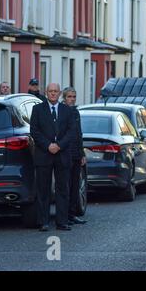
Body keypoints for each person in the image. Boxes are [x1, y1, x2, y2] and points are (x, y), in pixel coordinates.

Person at [30, 83, 75, 232]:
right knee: (43, 189)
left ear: (60, 93)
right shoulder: (37, 109)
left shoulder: (67, 110)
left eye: (56, 91)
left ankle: (62, 222)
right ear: (46, 92)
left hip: (62, 154)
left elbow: (71, 132)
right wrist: (48, 145)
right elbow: (34, 131)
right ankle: (43, 221)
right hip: (44, 154)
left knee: (62, 189)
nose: (53, 94)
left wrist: (59, 145)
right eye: (50, 91)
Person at [62, 87, 87, 225]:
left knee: (75, 185)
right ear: (64, 98)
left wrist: (82, 153)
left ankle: (72, 214)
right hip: (65, 153)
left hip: (76, 153)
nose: (72, 99)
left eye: (74, 97)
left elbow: (79, 133)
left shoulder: (75, 112)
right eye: (69, 96)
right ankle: (64, 215)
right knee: (65, 185)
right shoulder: (61, 111)